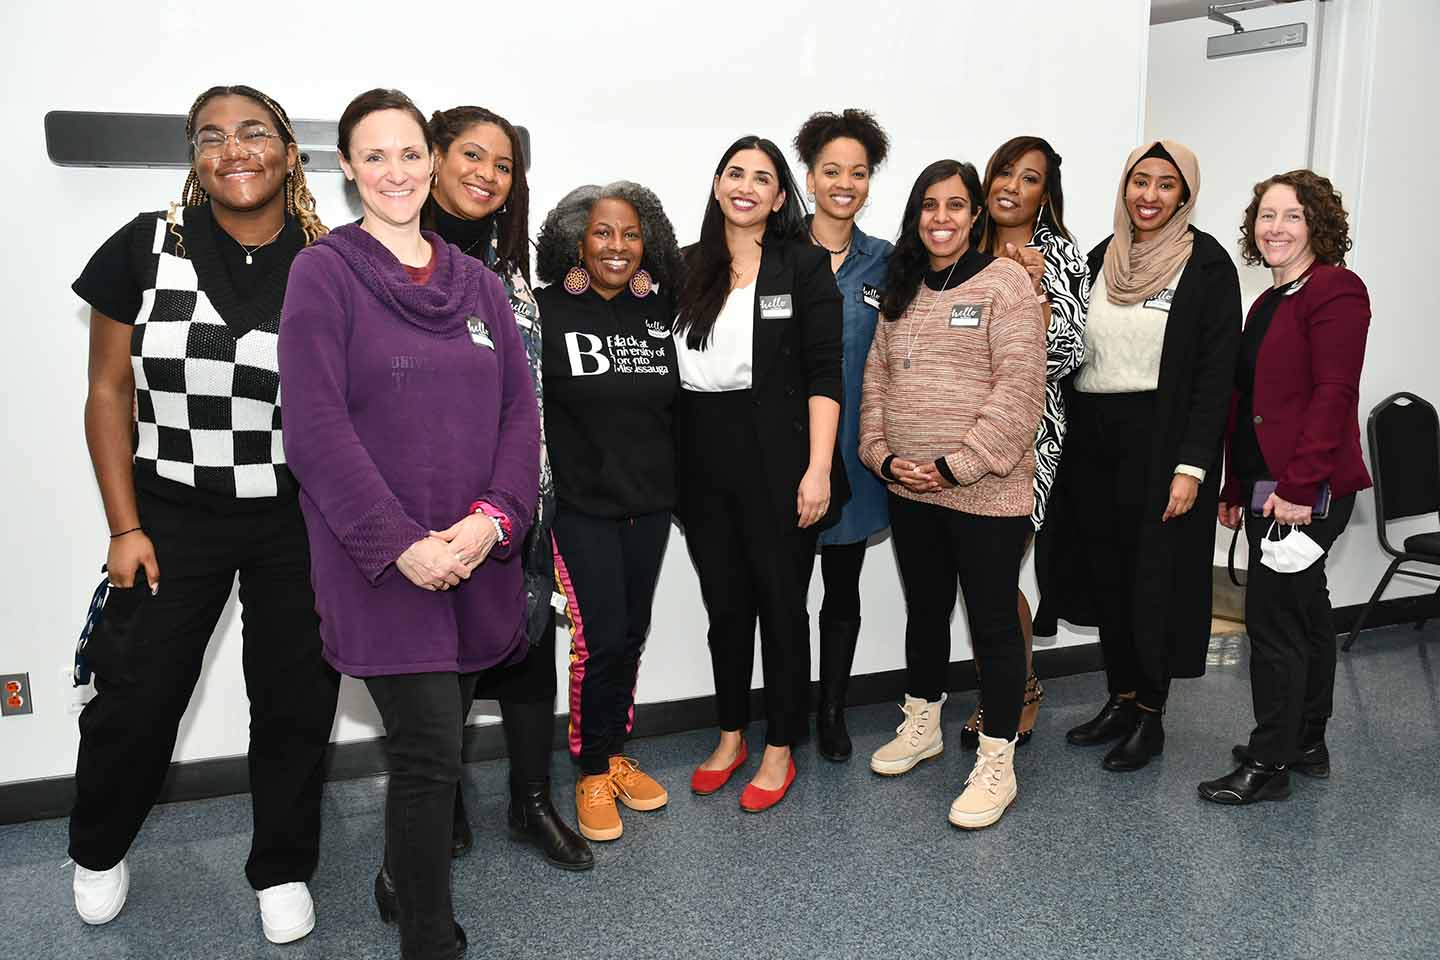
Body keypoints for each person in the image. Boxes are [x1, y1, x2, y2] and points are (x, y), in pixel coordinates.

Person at [68, 83, 338, 945]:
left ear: (289, 152)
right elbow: (107, 390)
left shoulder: (332, 260)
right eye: (211, 137)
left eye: (254, 132)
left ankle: (284, 866)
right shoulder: (145, 246)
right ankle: (99, 847)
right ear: (196, 157)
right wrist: (123, 526)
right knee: (138, 698)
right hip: (170, 514)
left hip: (299, 517)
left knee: (297, 699)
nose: (235, 150)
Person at [280, 88, 539, 960]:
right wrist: (403, 544)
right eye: (375, 155)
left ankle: (398, 876)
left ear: (432, 162)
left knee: (445, 734)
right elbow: (314, 428)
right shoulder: (324, 272)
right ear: (348, 168)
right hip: (381, 565)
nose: (396, 171)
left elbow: (518, 412)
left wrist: (494, 521)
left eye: (410, 153)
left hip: (476, 556)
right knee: (429, 754)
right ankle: (430, 939)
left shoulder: (478, 285)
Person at [421, 105, 591, 871]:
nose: (487, 174)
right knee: (438, 661)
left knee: (526, 651)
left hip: (520, 499)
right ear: (431, 157)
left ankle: (530, 801)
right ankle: (443, 802)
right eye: (472, 155)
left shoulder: (510, 270)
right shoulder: (395, 260)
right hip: (432, 508)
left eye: (503, 164)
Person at [860, 159, 1045, 830]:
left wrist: (957, 465)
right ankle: (923, 725)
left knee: (993, 624)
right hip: (911, 489)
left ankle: (998, 760)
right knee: (926, 611)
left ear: (975, 217)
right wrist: (882, 456)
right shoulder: (901, 288)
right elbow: (876, 380)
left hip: (985, 492)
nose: (941, 217)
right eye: (929, 205)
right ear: (916, 215)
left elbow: (1020, 391)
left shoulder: (1005, 286)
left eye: (956, 205)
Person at [1045, 140, 1240, 772]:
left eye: (1164, 185)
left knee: (1153, 581)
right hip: (1093, 437)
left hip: (1162, 441)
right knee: (1107, 576)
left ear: (1185, 195)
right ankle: (1120, 698)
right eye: (1138, 182)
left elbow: (1216, 375)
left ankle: (1151, 716)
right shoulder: (1100, 258)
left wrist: (1192, 466)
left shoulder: (1206, 265)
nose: (1148, 196)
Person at [676, 135, 847, 812]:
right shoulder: (685, 266)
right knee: (725, 610)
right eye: (735, 173)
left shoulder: (803, 267)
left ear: (779, 197)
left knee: (780, 607)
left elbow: (824, 373)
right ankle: (729, 736)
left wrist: (819, 470)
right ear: (718, 183)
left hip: (780, 461)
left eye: (762, 178)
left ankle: (780, 745)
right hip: (700, 458)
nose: (746, 186)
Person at [1199, 170, 1371, 804]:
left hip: (1307, 487)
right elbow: (1250, 404)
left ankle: (1267, 764)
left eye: (1291, 216)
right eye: (1266, 216)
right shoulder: (1270, 300)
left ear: (1317, 225)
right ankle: (1306, 740)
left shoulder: (1336, 290)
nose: (1274, 228)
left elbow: (1334, 394)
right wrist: (1234, 484)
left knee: (1273, 623)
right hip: (1267, 483)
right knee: (1306, 612)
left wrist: (1298, 487)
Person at [534, 181, 684, 841]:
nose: (617, 246)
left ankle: (617, 751)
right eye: (602, 232)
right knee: (598, 640)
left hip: (649, 506)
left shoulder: (664, 310)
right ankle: (590, 767)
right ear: (577, 239)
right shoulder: (544, 311)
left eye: (629, 233)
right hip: (580, 507)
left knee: (631, 634)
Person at [963, 135, 1090, 747]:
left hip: (1027, 436)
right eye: (1005, 172)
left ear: (1046, 196)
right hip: (957, 434)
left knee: (994, 571)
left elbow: (1066, 355)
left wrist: (1030, 295)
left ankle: (1014, 693)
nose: (1012, 185)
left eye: (1030, 178)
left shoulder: (1058, 256)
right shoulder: (959, 245)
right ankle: (1010, 684)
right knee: (974, 571)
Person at [792, 109, 894, 763]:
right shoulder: (776, 256)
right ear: (809, 177)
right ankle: (788, 710)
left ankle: (831, 712)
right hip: (786, 458)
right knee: (783, 593)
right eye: (832, 170)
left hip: (856, 457)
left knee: (843, 591)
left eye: (857, 172)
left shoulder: (885, 262)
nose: (845, 183)